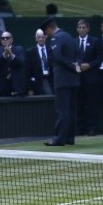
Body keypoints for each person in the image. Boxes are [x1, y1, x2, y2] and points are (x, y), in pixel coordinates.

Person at [40, 17, 79, 146]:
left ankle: (59, 139)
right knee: (71, 110)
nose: (47, 35)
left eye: (47, 32)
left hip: (62, 79)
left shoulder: (57, 38)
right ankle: (69, 138)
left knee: (62, 110)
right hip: (73, 79)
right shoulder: (69, 36)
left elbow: (57, 57)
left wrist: (71, 66)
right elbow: (77, 54)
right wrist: (75, 67)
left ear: (50, 28)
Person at [74, 19, 103, 136]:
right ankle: (79, 128)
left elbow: (99, 58)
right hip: (77, 78)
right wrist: (77, 66)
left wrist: (89, 65)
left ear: (88, 29)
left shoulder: (95, 41)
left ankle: (92, 128)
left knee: (91, 104)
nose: (81, 29)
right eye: (79, 27)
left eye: (83, 27)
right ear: (77, 29)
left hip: (91, 78)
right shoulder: (73, 42)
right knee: (78, 104)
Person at [0, 31, 25, 97]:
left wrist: (11, 54)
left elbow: (21, 62)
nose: (5, 39)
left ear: (12, 39)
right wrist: (4, 54)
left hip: (16, 85)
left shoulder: (19, 49)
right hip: (2, 85)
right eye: (3, 38)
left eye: (7, 38)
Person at [25, 28, 53, 96]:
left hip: (51, 79)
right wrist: (29, 88)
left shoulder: (51, 50)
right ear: (36, 39)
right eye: (39, 37)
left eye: (42, 37)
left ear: (46, 37)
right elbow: (27, 71)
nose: (41, 39)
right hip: (37, 81)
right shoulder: (30, 52)